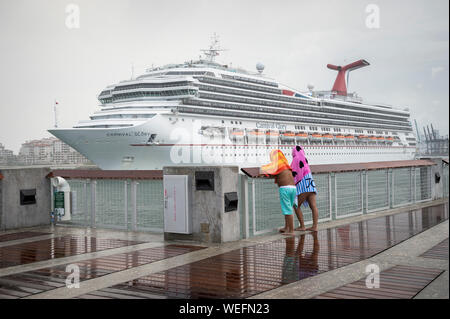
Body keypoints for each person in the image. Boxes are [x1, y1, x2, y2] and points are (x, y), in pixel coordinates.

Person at [260, 149, 297, 235]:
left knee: (288, 210)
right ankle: (286, 227)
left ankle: (291, 231)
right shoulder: (286, 165)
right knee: (289, 208)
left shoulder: (276, 165)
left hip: (285, 189)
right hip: (293, 188)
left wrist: (264, 172)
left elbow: (263, 169)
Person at [291, 145, 319, 231]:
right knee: (313, 206)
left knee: (296, 205)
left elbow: (293, 172)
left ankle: (302, 226)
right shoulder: (304, 159)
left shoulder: (295, 159)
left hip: (304, 186)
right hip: (311, 184)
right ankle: (314, 226)